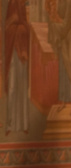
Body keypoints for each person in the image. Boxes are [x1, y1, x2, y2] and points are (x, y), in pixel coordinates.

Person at [47, 0, 71, 114]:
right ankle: (63, 100)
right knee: (63, 62)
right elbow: (56, 17)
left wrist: (56, 26)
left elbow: (68, 21)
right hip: (64, 27)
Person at [5, 0, 30, 135]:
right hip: (13, 54)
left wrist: (22, 29)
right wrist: (15, 25)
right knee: (13, 88)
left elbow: (25, 25)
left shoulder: (21, 3)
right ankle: (10, 125)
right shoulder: (12, 3)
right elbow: (7, 27)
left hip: (22, 53)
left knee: (22, 87)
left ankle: (24, 124)